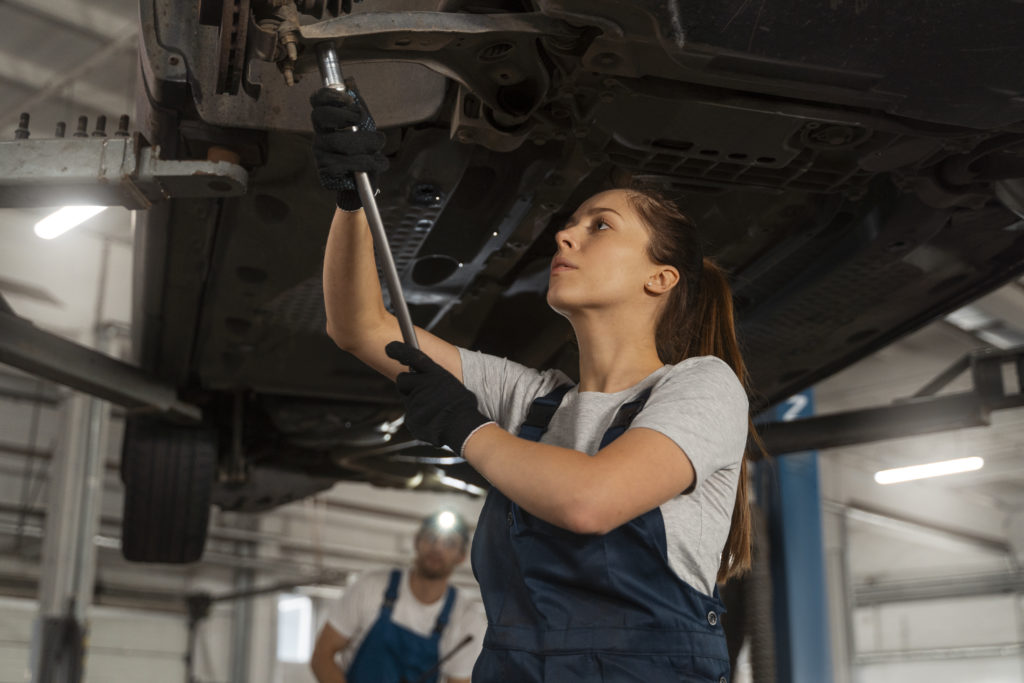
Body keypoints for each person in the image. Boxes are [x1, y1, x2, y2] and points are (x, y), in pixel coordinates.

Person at [312, 86, 760, 682]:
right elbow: (361, 327)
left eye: (600, 226)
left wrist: (467, 428)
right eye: (570, 224)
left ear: (660, 278)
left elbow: (590, 501)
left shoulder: (703, 385)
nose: (564, 237)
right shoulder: (535, 403)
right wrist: (352, 201)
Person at [310, 510, 485, 683]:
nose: (437, 548)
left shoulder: (467, 619)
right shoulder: (370, 587)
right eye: (431, 538)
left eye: (450, 543)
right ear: (417, 541)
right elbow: (322, 656)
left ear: (461, 556)